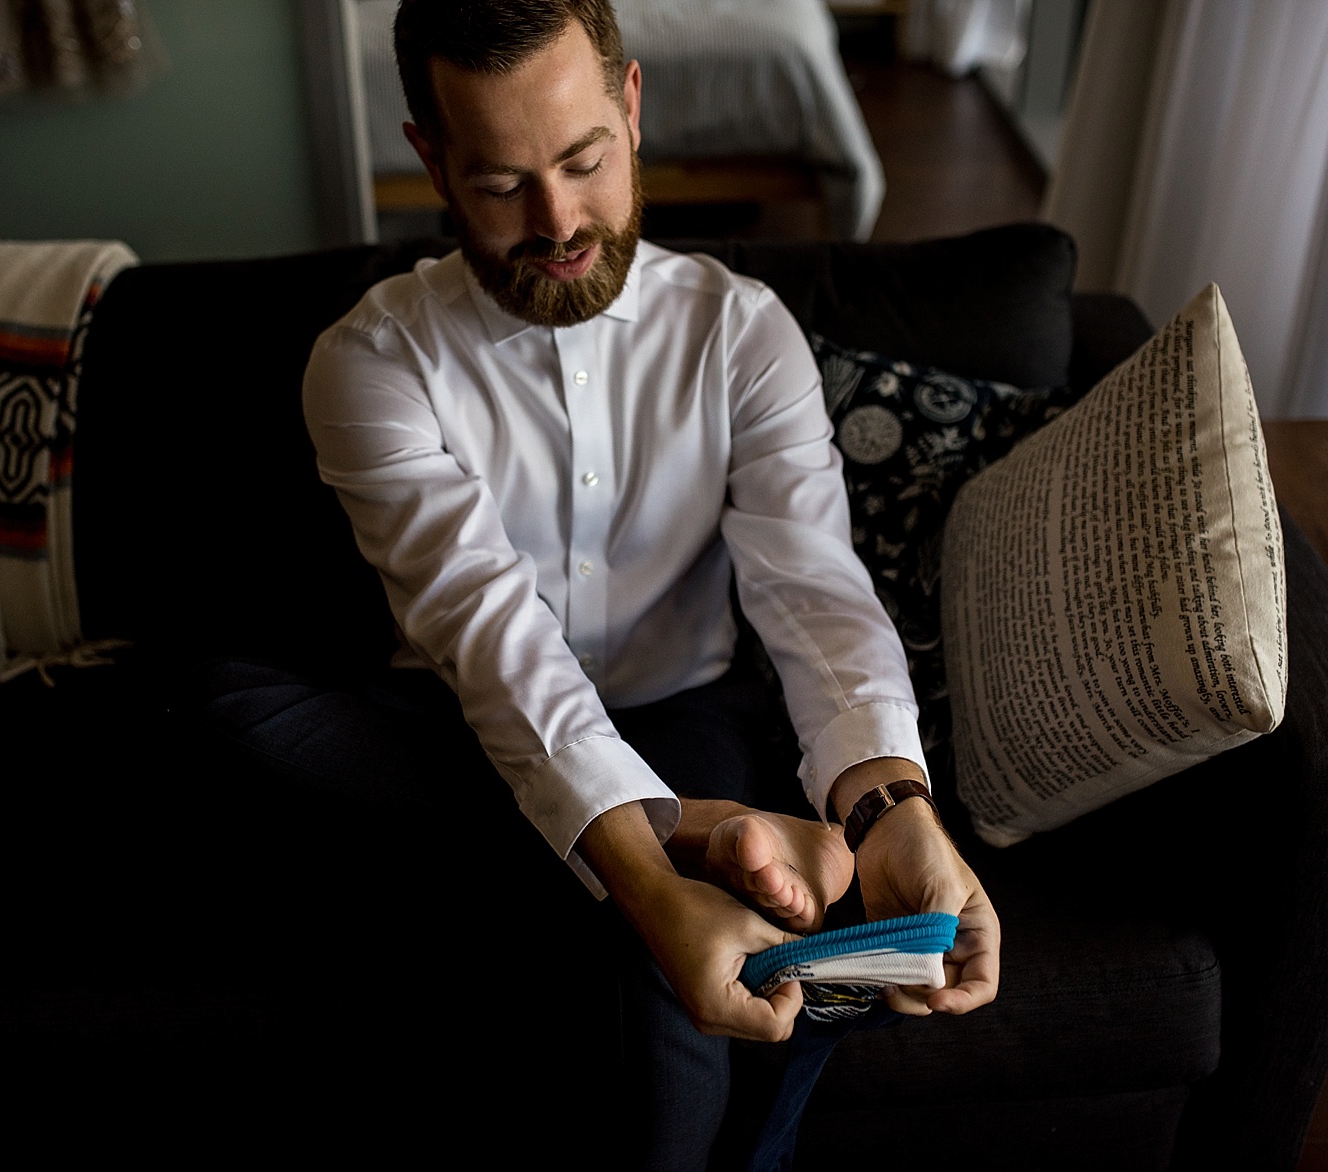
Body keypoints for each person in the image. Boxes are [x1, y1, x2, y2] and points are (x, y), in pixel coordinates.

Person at [293, 0, 999, 1164]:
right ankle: (703, 827)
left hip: (683, 707)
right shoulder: (371, 362)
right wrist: (651, 873)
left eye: (584, 161)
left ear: (630, 106)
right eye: (503, 184)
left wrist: (889, 809)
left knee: (666, 1016)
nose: (559, 222)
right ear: (433, 159)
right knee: (223, 703)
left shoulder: (741, 332)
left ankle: (673, 824)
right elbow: (491, 635)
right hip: (450, 723)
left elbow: (812, 587)